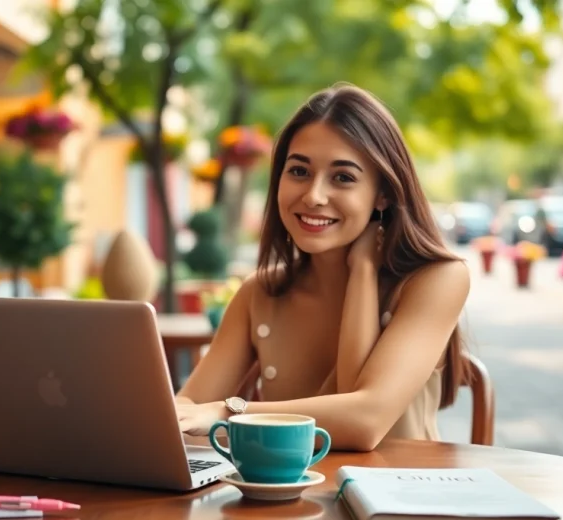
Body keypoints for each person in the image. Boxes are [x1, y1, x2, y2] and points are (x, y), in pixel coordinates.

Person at [174, 83, 470, 451]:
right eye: (298, 171)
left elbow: (364, 420)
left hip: (399, 499)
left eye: (343, 177)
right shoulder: (260, 292)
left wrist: (363, 269)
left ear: (384, 194)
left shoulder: (436, 280)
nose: (313, 196)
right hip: (284, 500)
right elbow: (188, 404)